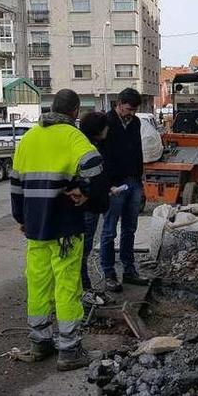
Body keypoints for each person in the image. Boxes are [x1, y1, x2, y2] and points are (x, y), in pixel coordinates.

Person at [10, 89, 107, 370]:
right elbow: (95, 167)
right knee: (67, 286)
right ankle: (69, 350)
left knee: (37, 283)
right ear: (75, 111)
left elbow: (16, 185)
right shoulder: (73, 136)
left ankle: (40, 342)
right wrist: (87, 193)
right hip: (65, 225)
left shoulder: (28, 138)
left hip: (36, 226)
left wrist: (22, 217)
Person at [99, 88, 148, 292]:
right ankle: (109, 272)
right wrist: (107, 184)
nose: (131, 113)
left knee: (130, 229)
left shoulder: (135, 123)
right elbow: (102, 155)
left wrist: (140, 180)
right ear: (118, 104)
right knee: (109, 230)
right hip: (113, 185)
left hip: (133, 181)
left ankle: (129, 270)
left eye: (134, 110)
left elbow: (137, 151)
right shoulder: (106, 122)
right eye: (128, 109)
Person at [77, 111, 111, 304]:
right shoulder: (88, 149)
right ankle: (84, 288)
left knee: (84, 249)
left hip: (91, 204)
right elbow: (89, 181)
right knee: (83, 249)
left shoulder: (94, 145)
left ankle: (84, 286)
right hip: (87, 207)